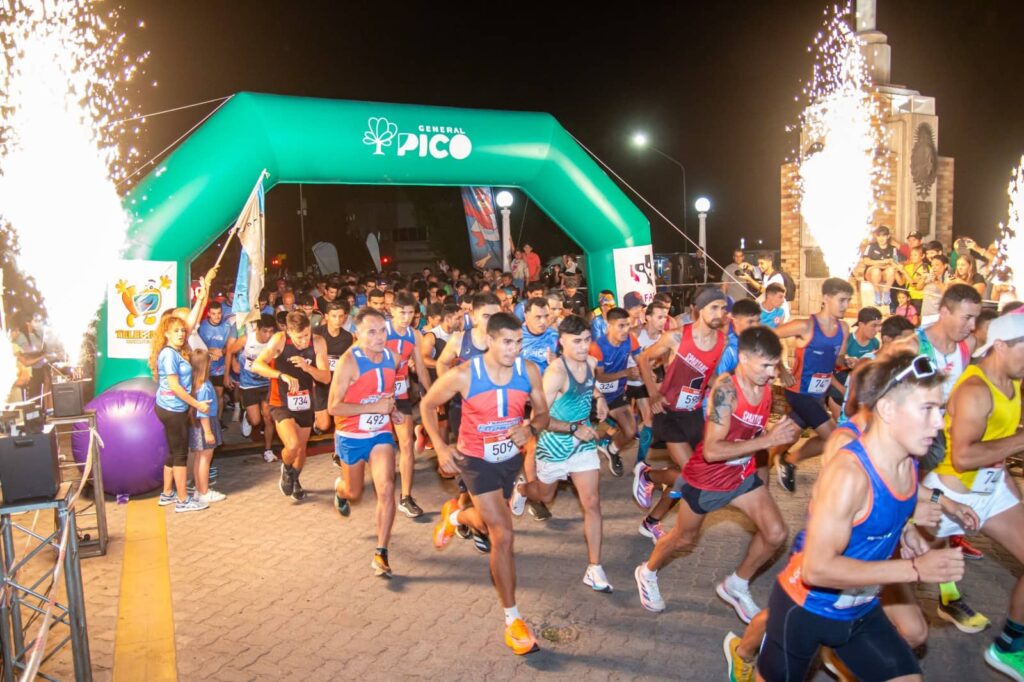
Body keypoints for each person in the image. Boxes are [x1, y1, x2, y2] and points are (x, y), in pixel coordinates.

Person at [757, 351, 964, 681]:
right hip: (805, 610)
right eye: (927, 409)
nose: (939, 423)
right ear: (887, 409)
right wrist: (914, 568)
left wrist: (905, 530)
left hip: (861, 608)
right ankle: (744, 652)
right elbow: (817, 569)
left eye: (940, 410)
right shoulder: (849, 474)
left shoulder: (909, 459)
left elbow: (891, 505)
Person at [635, 327, 800, 617]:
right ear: (744, 358)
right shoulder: (726, 391)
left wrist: (772, 439)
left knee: (776, 533)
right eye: (766, 365)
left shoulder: (763, 388)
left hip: (741, 475)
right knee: (683, 539)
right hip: (707, 479)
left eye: (775, 365)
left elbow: (750, 433)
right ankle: (647, 572)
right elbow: (711, 451)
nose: (772, 373)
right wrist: (768, 441)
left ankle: (737, 584)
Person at [422, 312, 550, 656]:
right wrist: (440, 446)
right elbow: (428, 404)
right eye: (507, 342)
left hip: (509, 459)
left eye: (519, 342)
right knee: (503, 535)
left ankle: (455, 517)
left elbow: (543, 413)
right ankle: (513, 621)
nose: (514, 349)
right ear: (490, 340)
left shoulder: (528, 371)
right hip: (475, 461)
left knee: (488, 524)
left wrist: (530, 428)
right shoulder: (465, 374)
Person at [921, 312, 1024, 677]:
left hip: (991, 490)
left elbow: (998, 446)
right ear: (1001, 346)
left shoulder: (1013, 381)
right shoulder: (975, 390)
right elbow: (963, 457)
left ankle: (1010, 646)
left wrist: (1013, 493)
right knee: (885, 575)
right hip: (947, 497)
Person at [509, 314, 612, 593]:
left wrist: (600, 399)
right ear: (562, 341)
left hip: (583, 445)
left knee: (592, 502)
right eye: (577, 341)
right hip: (554, 445)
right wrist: (574, 427)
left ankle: (594, 567)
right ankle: (522, 489)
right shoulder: (555, 373)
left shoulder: (591, 363)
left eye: (587, 340)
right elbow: (540, 418)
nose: (584, 346)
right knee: (544, 496)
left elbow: (591, 386)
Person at [634, 287, 727, 541]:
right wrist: (653, 393)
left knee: (687, 478)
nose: (719, 313)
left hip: (693, 414)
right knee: (692, 475)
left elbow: (706, 377)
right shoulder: (676, 337)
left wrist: (727, 387)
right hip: (668, 412)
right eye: (713, 308)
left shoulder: (721, 341)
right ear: (698, 310)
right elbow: (643, 359)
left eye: (722, 308)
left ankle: (651, 522)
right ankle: (647, 474)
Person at [328, 307, 402, 578]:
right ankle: (340, 490)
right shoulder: (349, 362)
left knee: (387, 487)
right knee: (354, 491)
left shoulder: (393, 358)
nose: (379, 337)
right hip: (351, 434)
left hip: (380, 432)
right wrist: (374, 408)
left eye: (383, 331)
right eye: (372, 332)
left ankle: (381, 552)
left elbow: (386, 393)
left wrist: (392, 410)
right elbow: (333, 407)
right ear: (357, 333)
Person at [774, 277, 853, 493]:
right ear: (826, 298)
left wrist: (847, 362)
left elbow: (837, 360)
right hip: (799, 392)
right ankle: (833, 489)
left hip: (819, 394)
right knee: (835, 437)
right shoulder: (805, 325)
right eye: (842, 300)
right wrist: (781, 368)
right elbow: (768, 337)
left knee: (789, 435)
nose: (846, 305)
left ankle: (777, 461)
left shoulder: (843, 328)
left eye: (848, 300)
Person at [254, 311, 331, 501]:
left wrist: (307, 368)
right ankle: (287, 468)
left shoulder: (318, 342)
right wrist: (281, 375)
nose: (304, 341)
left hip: (304, 401)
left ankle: (294, 477)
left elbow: (325, 377)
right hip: (281, 401)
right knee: (293, 444)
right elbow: (257, 365)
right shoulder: (280, 340)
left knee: (301, 448)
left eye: (306, 335)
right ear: (289, 332)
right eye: (299, 338)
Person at [152, 315, 211, 513]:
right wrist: (198, 404)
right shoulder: (169, 354)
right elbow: (175, 387)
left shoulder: (175, 352)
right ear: (166, 334)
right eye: (176, 331)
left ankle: (167, 493)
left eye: (183, 331)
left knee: (173, 451)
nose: (181, 334)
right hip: (172, 409)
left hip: (171, 407)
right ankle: (183, 501)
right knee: (180, 455)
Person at [386, 293, 433, 518]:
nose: (406, 317)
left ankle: (405, 497)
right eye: (402, 312)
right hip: (375, 397)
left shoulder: (414, 335)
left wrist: (431, 395)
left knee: (406, 444)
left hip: (400, 394)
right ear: (392, 311)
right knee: (378, 448)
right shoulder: (380, 330)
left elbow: (421, 368)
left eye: (410, 313)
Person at [589, 307, 640, 477]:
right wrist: (626, 373)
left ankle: (611, 449)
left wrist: (648, 372)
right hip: (594, 397)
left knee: (631, 431)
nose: (626, 330)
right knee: (583, 439)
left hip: (616, 395)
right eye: (621, 326)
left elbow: (641, 361)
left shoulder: (630, 340)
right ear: (609, 326)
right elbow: (600, 377)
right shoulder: (597, 347)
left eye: (628, 325)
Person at [227, 314, 278, 462]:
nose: (268, 335)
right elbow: (230, 350)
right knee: (255, 421)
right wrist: (233, 365)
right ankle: (247, 417)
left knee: (268, 417)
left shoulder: (274, 341)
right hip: (248, 384)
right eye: (265, 331)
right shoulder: (247, 339)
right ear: (258, 329)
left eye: (271, 331)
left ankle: (268, 450)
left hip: (267, 383)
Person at [627, 301, 670, 464]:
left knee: (649, 418)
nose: (663, 321)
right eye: (659, 317)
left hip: (646, 383)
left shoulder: (665, 338)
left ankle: (640, 463)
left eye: (665, 317)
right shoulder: (635, 333)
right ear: (648, 317)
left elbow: (665, 365)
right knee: (624, 426)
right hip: (627, 381)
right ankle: (610, 443)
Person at [187, 349, 225, 504]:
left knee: (198, 458)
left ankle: (199, 489)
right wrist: (208, 432)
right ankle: (204, 491)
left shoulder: (195, 384)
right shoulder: (205, 387)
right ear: (205, 365)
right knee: (205, 459)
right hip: (206, 424)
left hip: (196, 425)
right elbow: (204, 412)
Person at [312, 300, 354, 437]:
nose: (338, 320)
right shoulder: (316, 334)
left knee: (340, 421)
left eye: (341, 316)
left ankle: (339, 448)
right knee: (323, 425)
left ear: (345, 317)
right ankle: (315, 419)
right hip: (319, 383)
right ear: (326, 316)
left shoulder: (347, 337)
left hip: (337, 383)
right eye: (334, 316)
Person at [198, 301, 232, 425]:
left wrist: (222, 351)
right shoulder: (201, 326)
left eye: (219, 313)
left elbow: (230, 347)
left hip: (220, 367)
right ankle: (205, 422)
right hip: (204, 367)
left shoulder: (227, 327)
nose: (217, 316)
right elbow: (196, 347)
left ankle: (218, 421)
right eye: (213, 313)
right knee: (204, 394)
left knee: (219, 393)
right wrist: (210, 351)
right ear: (208, 314)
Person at [862, 225, 903, 306]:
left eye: (883, 236)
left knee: (891, 270)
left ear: (888, 236)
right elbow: (866, 261)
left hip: (884, 273)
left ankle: (886, 293)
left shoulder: (893, 249)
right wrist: (881, 263)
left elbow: (895, 263)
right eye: (879, 236)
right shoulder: (871, 246)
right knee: (876, 271)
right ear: (876, 237)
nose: (881, 238)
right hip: (871, 273)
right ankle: (877, 294)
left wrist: (892, 265)